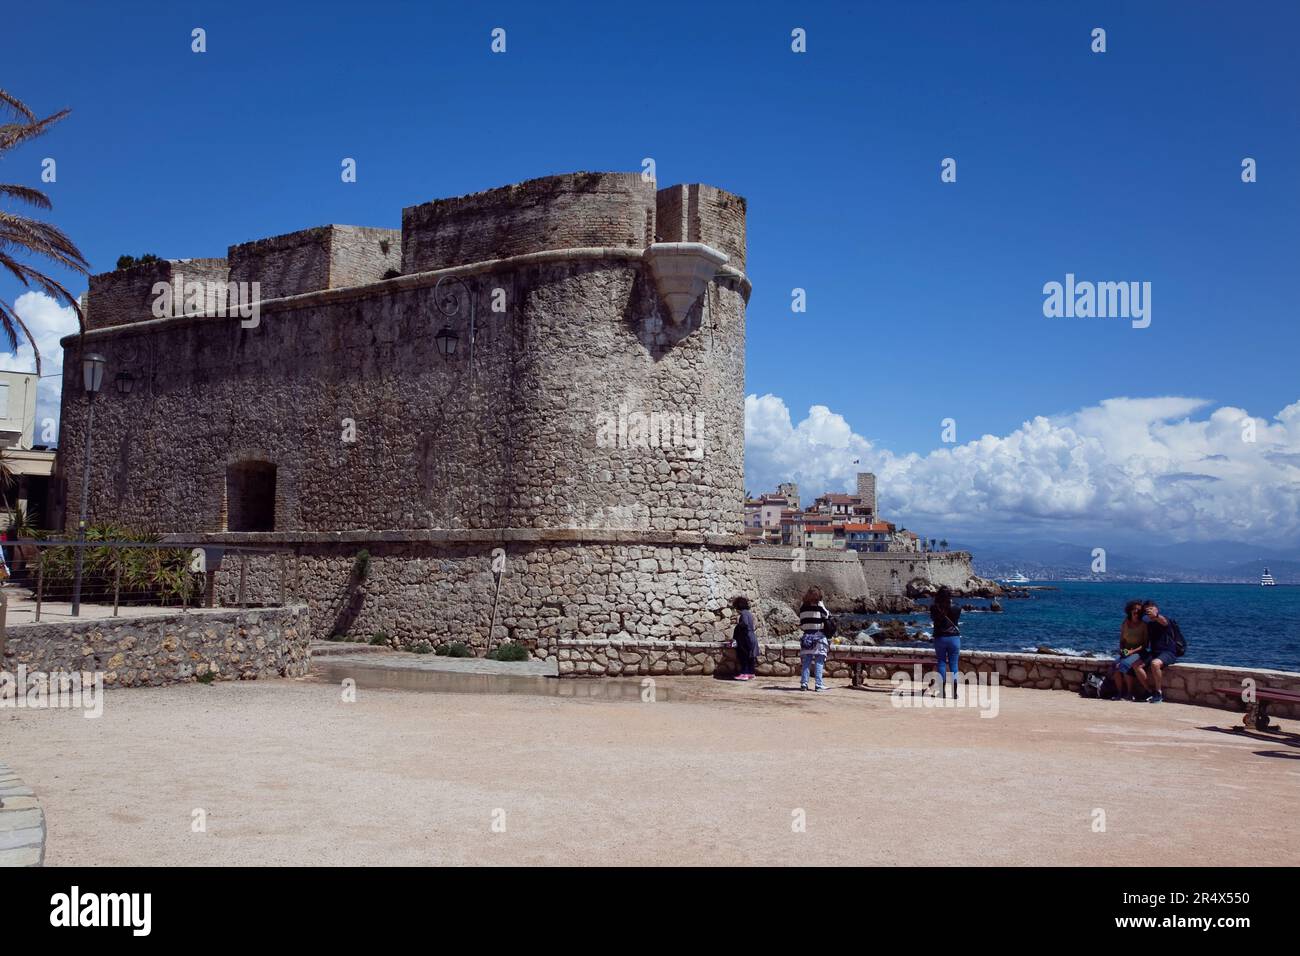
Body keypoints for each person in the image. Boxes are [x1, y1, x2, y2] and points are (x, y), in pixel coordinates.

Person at [1132, 599, 1176, 703]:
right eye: (1147, 610)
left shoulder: (1165, 620)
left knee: (1155, 664)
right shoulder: (1148, 623)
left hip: (1168, 652)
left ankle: (1158, 692)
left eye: (1151, 609)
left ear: (1157, 609)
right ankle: (1149, 691)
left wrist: (1155, 616)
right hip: (1154, 652)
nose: (1149, 611)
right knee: (1136, 665)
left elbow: (1163, 621)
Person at [1113, 600, 1150, 701]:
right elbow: (1121, 640)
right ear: (1129, 610)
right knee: (1115, 666)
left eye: (1138, 610)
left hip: (1139, 652)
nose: (1136, 611)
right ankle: (1119, 693)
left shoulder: (1144, 625)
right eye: (1134, 609)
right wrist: (1122, 650)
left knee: (1125, 665)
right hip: (1126, 651)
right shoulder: (1125, 623)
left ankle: (1130, 693)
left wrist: (1131, 652)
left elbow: (1145, 645)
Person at [929, 586, 961, 698]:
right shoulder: (956, 607)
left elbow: (933, 619)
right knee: (954, 665)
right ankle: (955, 693)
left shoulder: (934, 608)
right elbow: (956, 620)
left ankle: (942, 692)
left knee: (941, 663)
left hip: (940, 638)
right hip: (954, 638)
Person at [797, 586, 830, 691]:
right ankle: (819, 685)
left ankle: (804, 684)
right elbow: (826, 615)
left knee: (806, 661)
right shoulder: (819, 604)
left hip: (806, 636)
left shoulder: (803, 606)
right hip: (818, 636)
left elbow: (801, 621)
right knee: (819, 661)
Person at [731, 596, 759, 681]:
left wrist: (738, 625)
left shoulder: (743, 613)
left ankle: (744, 673)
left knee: (744, 655)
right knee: (750, 656)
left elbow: (745, 624)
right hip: (752, 637)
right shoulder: (748, 613)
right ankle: (751, 673)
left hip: (746, 637)